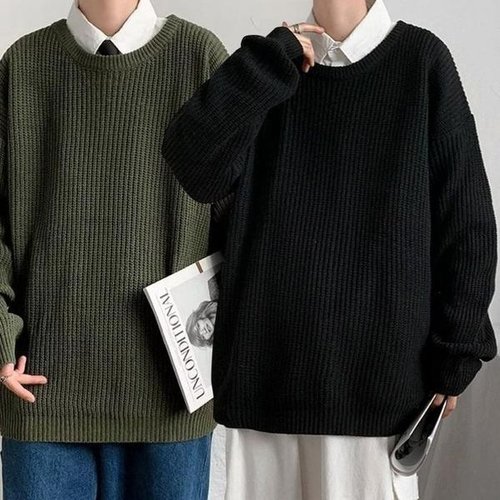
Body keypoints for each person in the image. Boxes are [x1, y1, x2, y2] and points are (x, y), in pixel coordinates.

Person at [161, 0, 498, 498]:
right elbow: (192, 163)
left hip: (377, 398)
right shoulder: (273, 68)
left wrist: (456, 354)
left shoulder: (420, 61)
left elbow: (467, 225)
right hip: (264, 391)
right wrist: (267, 61)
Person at [0, 0, 231, 498]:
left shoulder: (200, 58)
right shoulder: (22, 65)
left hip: (174, 399)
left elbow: (243, 221)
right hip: (42, 394)